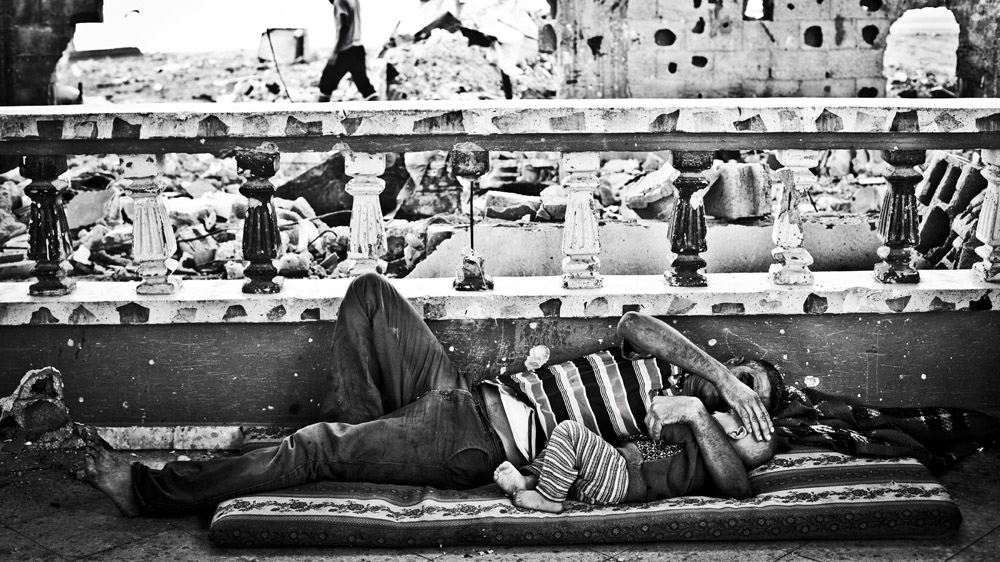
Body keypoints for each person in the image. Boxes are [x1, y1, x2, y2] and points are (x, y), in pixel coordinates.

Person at [81, 273, 780, 517]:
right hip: (461, 395)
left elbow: (737, 482)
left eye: (757, 393)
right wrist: (719, 374)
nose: (747, 387)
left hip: (475, 441)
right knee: (369, 297)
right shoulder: (669, 366)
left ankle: (147, 492)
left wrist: (707, 410)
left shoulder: (688, 431)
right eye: (747, 376)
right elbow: (631, 323)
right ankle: (364, 445)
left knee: (314, 447)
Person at [492, 407, 779, 513]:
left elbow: (666, 422)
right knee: (568, 449)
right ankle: (530, 479)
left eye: (729, 413)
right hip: (615, 475)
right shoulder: (705, 463)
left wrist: (683, 408)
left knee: (568, 432)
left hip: (623, 477)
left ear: (737, 431)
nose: (721, 410)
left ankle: (548, 497)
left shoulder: (698, 443)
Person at [317, 0, 377, 102]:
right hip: (358, 49)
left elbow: (344, 26)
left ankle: (317, 115)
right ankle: (380, 113)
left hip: (346, 49)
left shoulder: (339, 1)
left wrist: (335, 51)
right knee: (364, 86)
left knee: (326, 84)